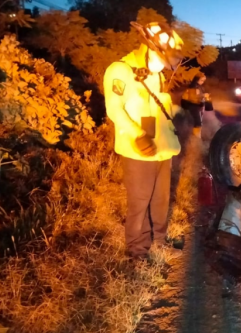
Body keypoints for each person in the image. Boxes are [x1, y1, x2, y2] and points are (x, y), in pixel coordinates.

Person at [103, 21, 184, 259]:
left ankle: (158, 242)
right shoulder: (120, 70)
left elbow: (156, 107)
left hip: (161, 148)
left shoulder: (154, 74)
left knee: (160, 201)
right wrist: (137, 134)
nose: (167, 64)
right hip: (137, 149)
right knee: (139, 203)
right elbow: (114, 109)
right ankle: (136, 252)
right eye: (165, 56)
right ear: (149, 47)